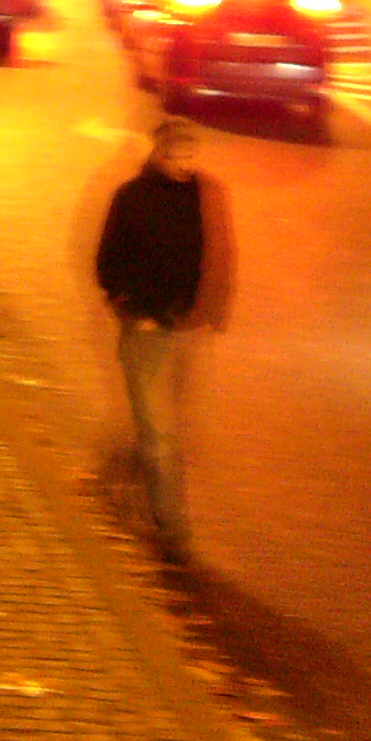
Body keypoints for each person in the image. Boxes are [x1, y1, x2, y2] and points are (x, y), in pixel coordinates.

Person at [95, 118, 235, 562]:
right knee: (161, 434)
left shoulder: (204, 195)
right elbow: (107, 262)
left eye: (191, 156)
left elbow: (220, 251)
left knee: (164, 426)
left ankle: (127, 470)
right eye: (177, 156)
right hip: (146, 330)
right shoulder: (131, 197)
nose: (185, 165)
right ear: (159, 155)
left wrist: (211, 311)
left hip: (185, 326)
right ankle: (172, 527)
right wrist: (132, 310)